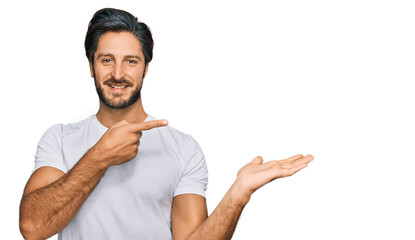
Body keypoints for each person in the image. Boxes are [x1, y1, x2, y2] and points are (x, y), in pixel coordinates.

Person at [19, 8, 314, 240]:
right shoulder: (58, 139)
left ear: (146, 67)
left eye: (131, 61)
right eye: (107, 60)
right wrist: (100, 156)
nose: (118, 73)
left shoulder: (183, 148)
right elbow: (32, 227)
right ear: (91, 66)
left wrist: (238, 194)